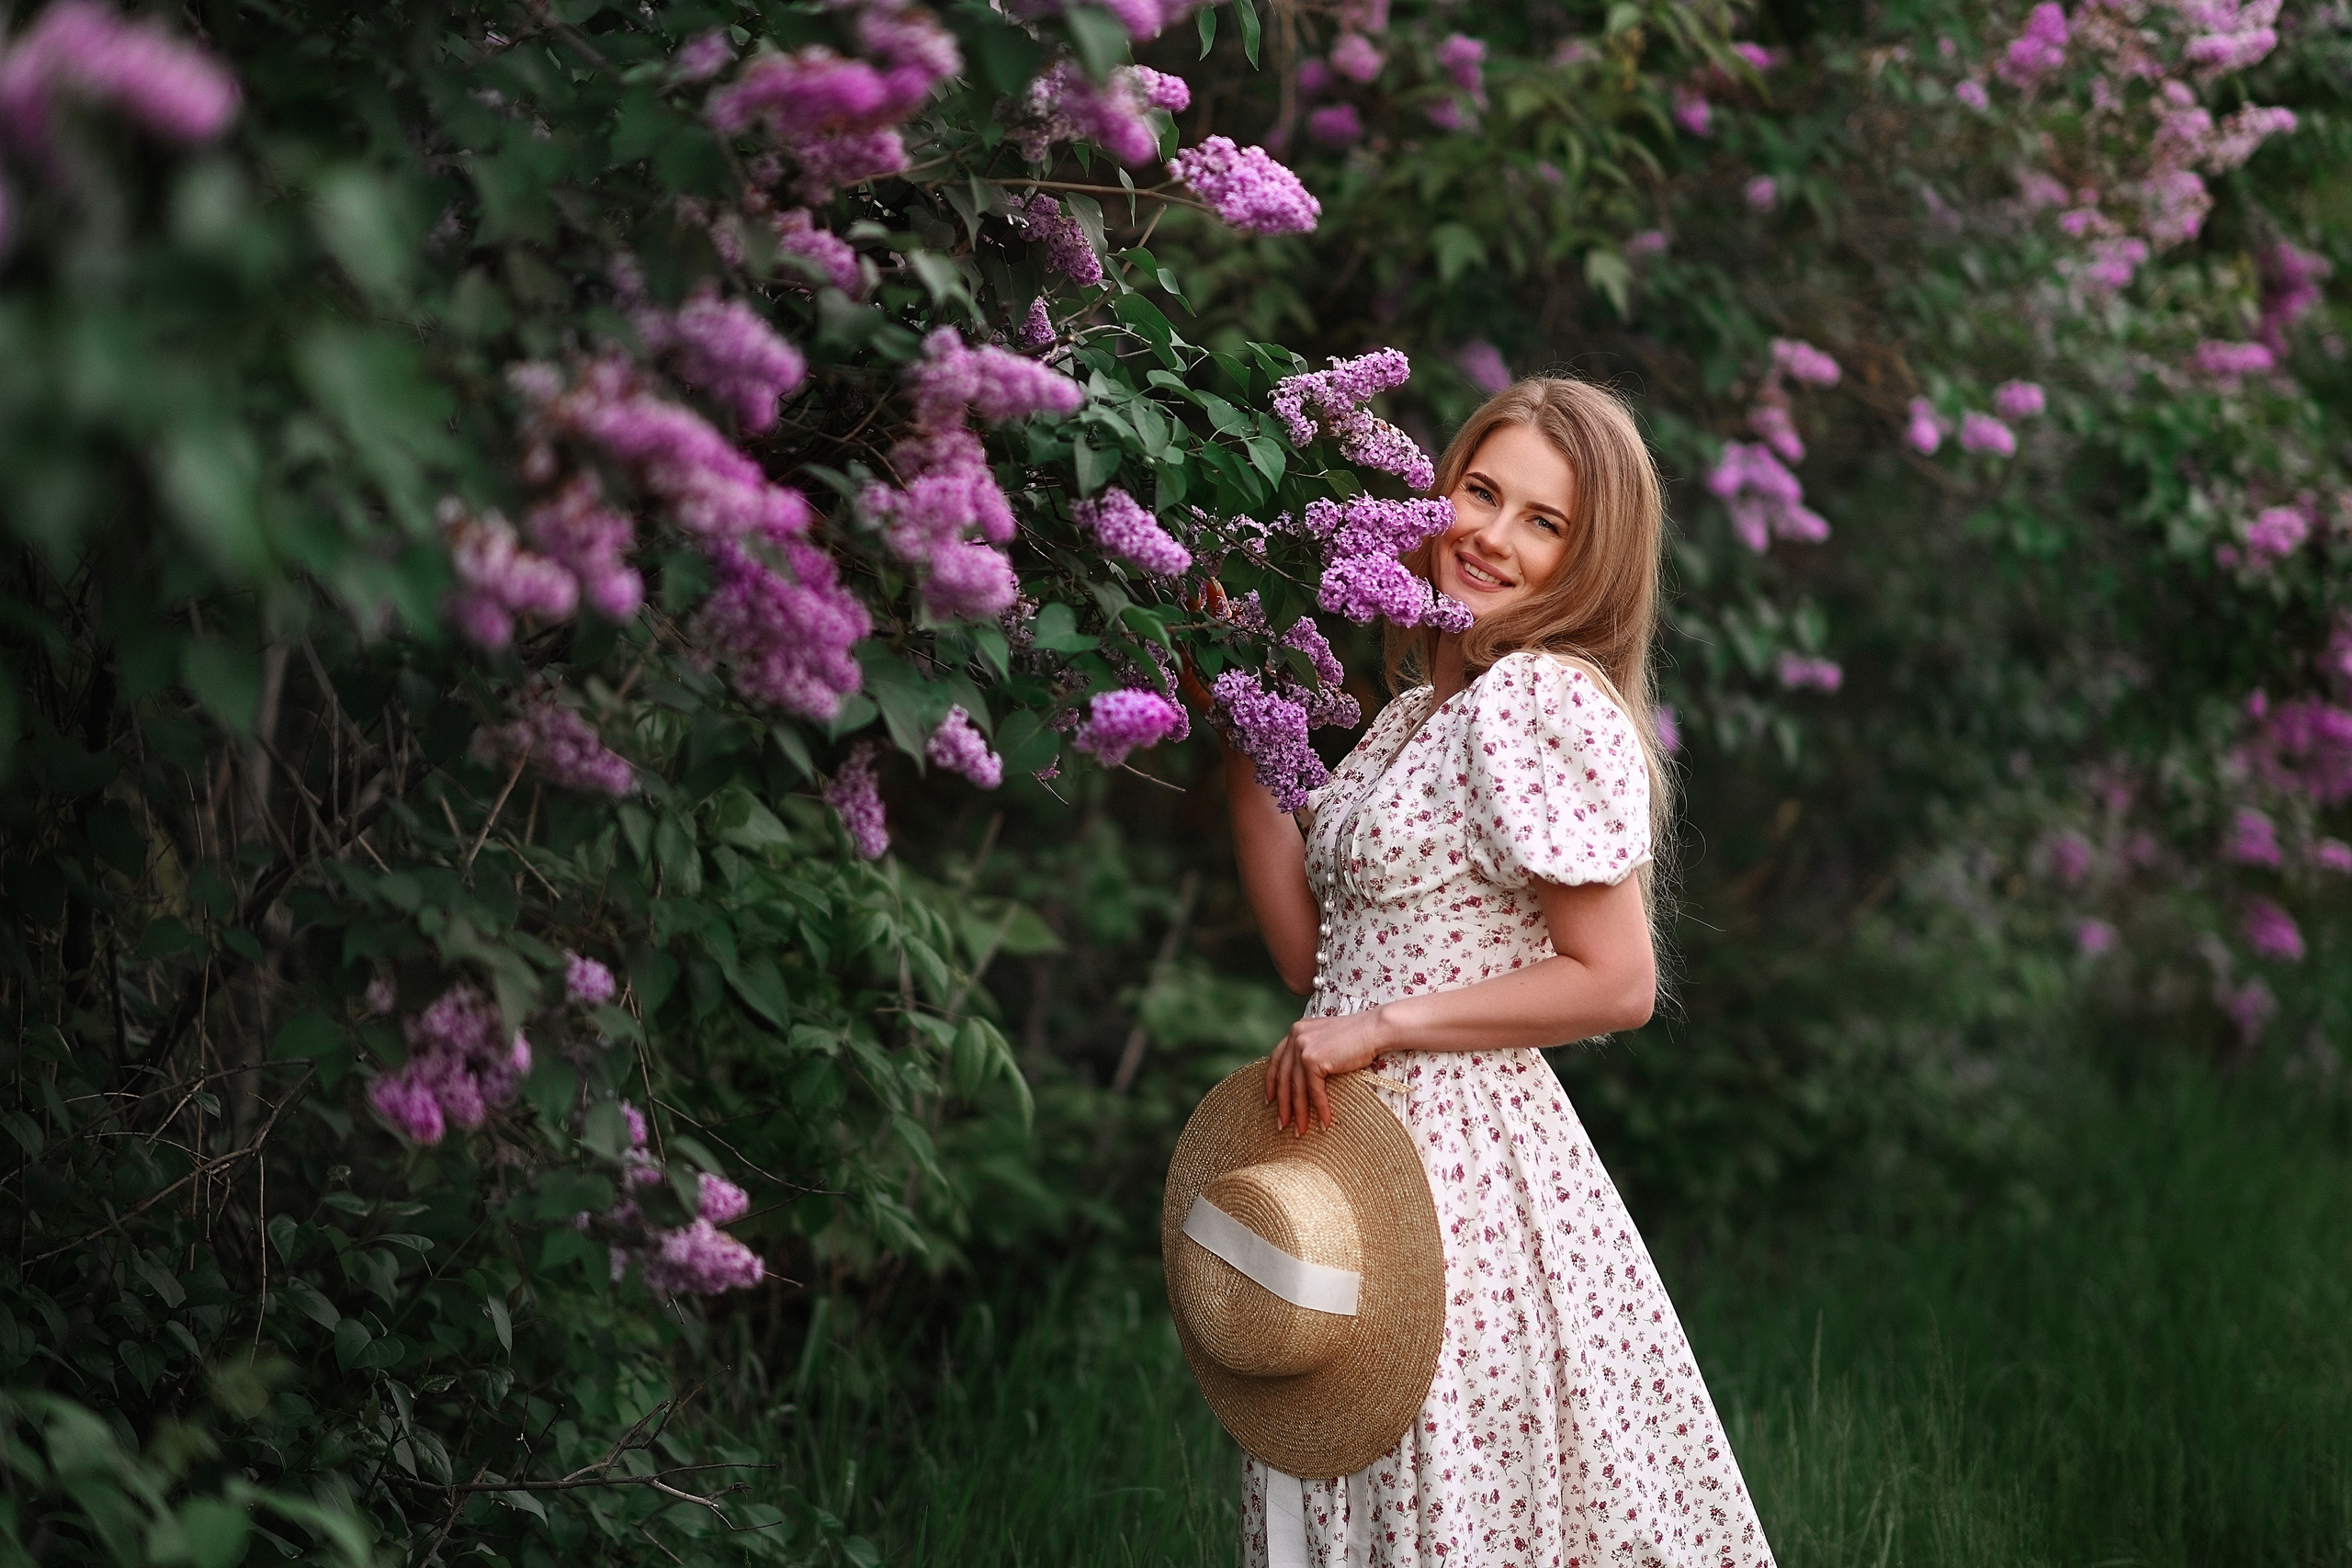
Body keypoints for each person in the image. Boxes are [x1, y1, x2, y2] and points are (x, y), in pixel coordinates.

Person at [1204, 378, 1777, 1565]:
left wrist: (1384, 1031)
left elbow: (1614, 980)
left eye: (1544, 523)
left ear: (1590, 565)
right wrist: (1239, 713)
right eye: (1480, 491)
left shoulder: (1535, 698)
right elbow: (1324, 962)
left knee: (1439, 1494)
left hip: (1457, 1170)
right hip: (1349, 1154)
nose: (1491, 536)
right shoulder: (1421, 714)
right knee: (1350, 1483)